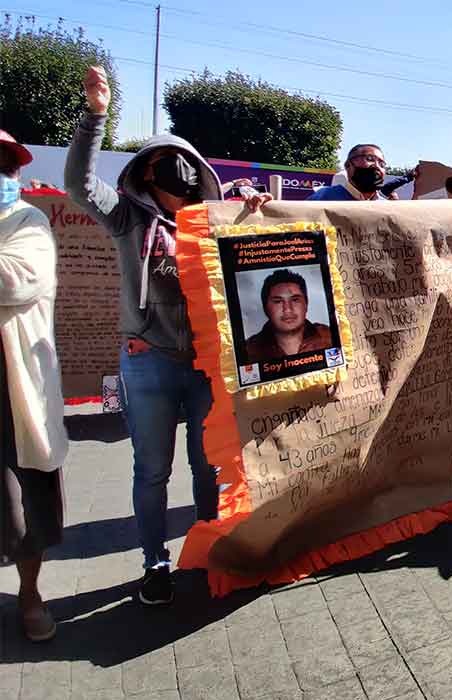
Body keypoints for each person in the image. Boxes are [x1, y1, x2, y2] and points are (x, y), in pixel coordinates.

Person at [65, 65, 269, 606]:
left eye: (181, 167)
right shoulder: (128, 219)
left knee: (207, 465)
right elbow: (79, 185)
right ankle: (155, 564)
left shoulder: (214, 218)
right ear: (145, 174)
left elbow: (250, 265)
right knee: (151, 470)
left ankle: (205, 548)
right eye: (160, 166)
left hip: (203, 365)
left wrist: (248, 211)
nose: (173, 175)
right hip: (148, 362)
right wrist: (95, 114)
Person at [0, 131, 69, 642]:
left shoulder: (28, 222)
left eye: (4, 166)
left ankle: (29, 593)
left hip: (13, 386)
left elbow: (19, 281)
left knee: (25, 503)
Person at [244, 269, 333, 362]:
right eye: (278, 301)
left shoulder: (329, 336)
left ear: (306, 304)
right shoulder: (248, 350)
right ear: (265, 308)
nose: (287, 309)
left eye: (295, 300)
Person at [308, 145, 388, 201]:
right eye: (370, 159)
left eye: (382, 164)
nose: (377, 166)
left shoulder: (386, 207)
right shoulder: (323, 197)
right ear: (348, 165)